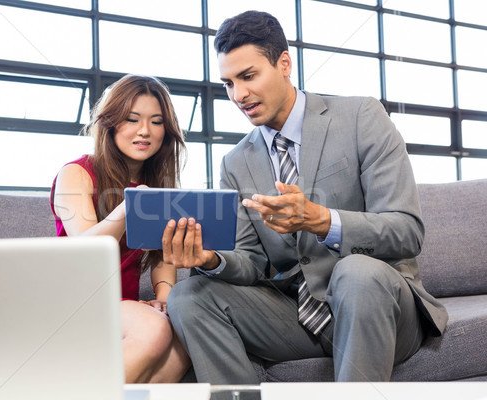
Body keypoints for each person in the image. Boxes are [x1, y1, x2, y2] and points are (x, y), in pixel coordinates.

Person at [162, 10, 448, 397]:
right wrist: (211, 260)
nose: (238, 95)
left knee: (356, 273)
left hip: (381, 308)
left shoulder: (361, 116)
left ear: (284, 64)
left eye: (248, 76)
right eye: (228, 83)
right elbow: (251, 261)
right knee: (189, 295)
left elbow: (406, 231)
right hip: (297, 316)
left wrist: (321, 220)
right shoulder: (235, 162)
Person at [50, 74, 191, 383]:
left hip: (121, 306)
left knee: (184, 332)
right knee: (153, 329)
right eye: (132, 119)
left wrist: (164, 297)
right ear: (111, 122)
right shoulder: (77, 173)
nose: (145, 131)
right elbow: (87, 249)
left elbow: (161, 255)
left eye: (156, 122)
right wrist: (131, 204)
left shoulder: (158, 183)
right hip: (74, 302)